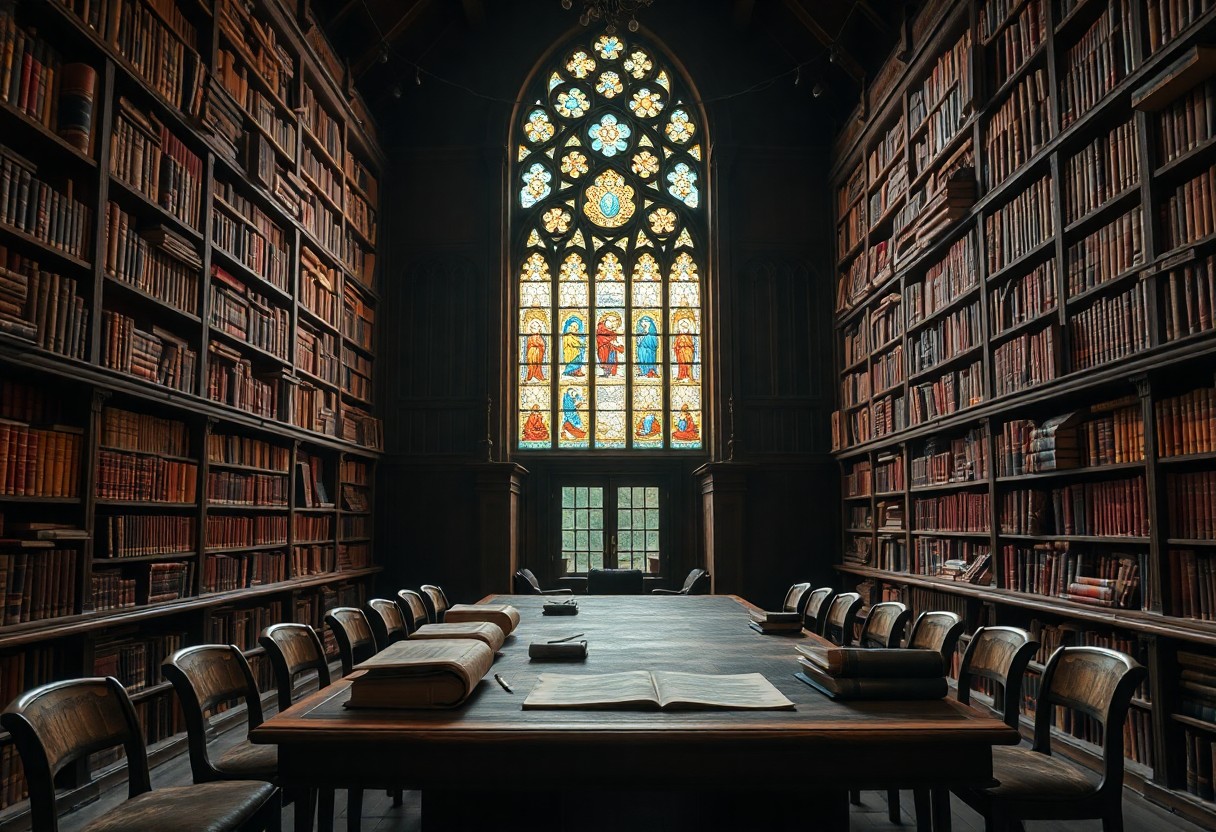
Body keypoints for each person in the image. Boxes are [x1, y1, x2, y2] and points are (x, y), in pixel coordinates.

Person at [596, 312, 623, 376]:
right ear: (605, 320)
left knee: (611, 360)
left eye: (614, 322)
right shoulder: (600, 330)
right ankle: (605, 372)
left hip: (611, 350)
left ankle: (609, 373)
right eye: (611, 321)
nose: (612, 324)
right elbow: (601, 339)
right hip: (603, 350)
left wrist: (617, 344)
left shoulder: (613, 333)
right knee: (605, 361)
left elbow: (616, 342)